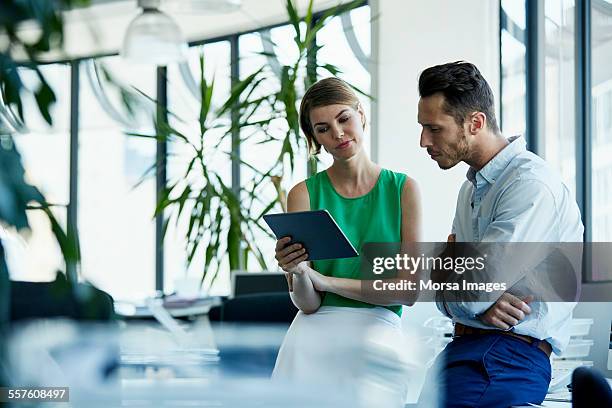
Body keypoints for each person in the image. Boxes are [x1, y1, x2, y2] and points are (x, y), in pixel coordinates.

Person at [416, 61, 584, 407]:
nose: (423, 141)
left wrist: (456, 283)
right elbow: (463, 286)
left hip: (506, 358)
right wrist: (469, 299)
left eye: (434, 128)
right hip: (465, 351)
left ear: (475, 123)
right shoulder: (471, 190)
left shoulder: (530, 186)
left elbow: (471, 285)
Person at [272, 77, 422, 406]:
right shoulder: (304, 194)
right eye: (323, 128)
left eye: (344, 119)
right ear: (314, 138)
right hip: (313, 333)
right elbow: (309, 304)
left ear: (361, 115)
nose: (338, 134)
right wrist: (297, 271)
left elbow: (407, 292)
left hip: (377, 328)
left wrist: (325, 280)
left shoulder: (403, 190)